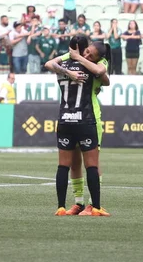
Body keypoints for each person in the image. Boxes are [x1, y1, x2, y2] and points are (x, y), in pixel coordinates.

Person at [45, 36, 110, 216]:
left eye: (90, 53)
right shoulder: (69, 57)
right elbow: (49, 64)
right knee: (74, 162)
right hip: (73, 118)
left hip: (91, 114)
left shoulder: (100, 60)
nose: (88, 54)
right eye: (86, 51)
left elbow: (105, 78)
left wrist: (77, 62)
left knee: (93, 162)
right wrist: (70, 68)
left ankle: (92, 204)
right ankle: (79, 203)